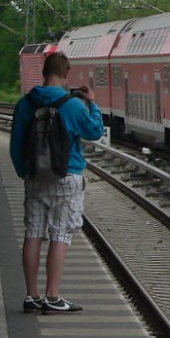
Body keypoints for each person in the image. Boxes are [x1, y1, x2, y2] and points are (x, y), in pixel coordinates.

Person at [10, 52, 103, 313]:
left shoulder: (26, 103)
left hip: (35, 177)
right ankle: (52, 297)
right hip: (67, 175)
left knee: (33, 233)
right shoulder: (73, 105)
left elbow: (16, 146)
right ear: (66, 73)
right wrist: (92, 103)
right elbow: (94, 131)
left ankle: (31, 296)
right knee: (60, 234)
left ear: (43, 72)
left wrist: (25, 172)